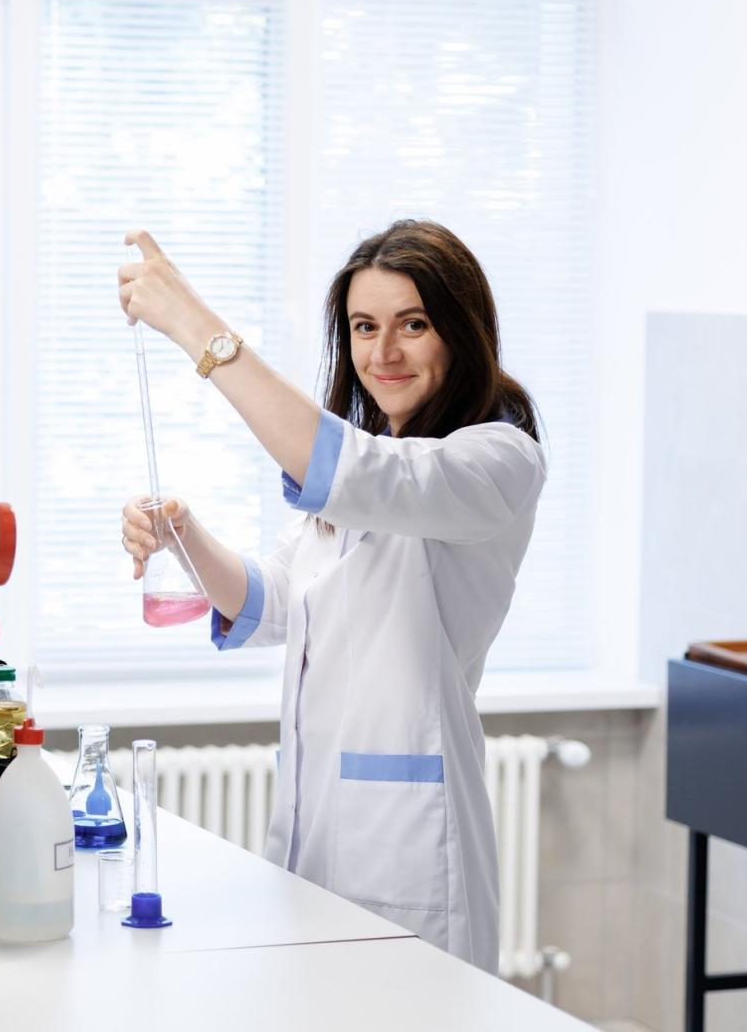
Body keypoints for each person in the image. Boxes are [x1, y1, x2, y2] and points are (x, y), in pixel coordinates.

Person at [118, 219, 544, 972]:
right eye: (364, 327)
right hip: (314, 838)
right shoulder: (368, 461)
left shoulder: (494, 458)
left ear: (462, 330)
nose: (383, 353)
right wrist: (184, 536)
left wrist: (193, 324)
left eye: (413, 324)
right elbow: (273, 599)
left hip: (411, 849)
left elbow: (357, 472)